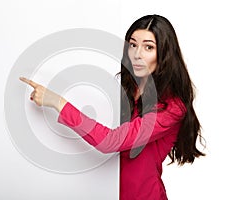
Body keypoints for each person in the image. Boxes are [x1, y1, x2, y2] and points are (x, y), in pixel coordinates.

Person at [19, 14, 205, 200]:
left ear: (164, 54)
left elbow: (111, 141)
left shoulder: (172, 107)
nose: (137, 54)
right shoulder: (127, 88)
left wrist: (58, 102)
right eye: (133, 44)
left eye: (149, 47)